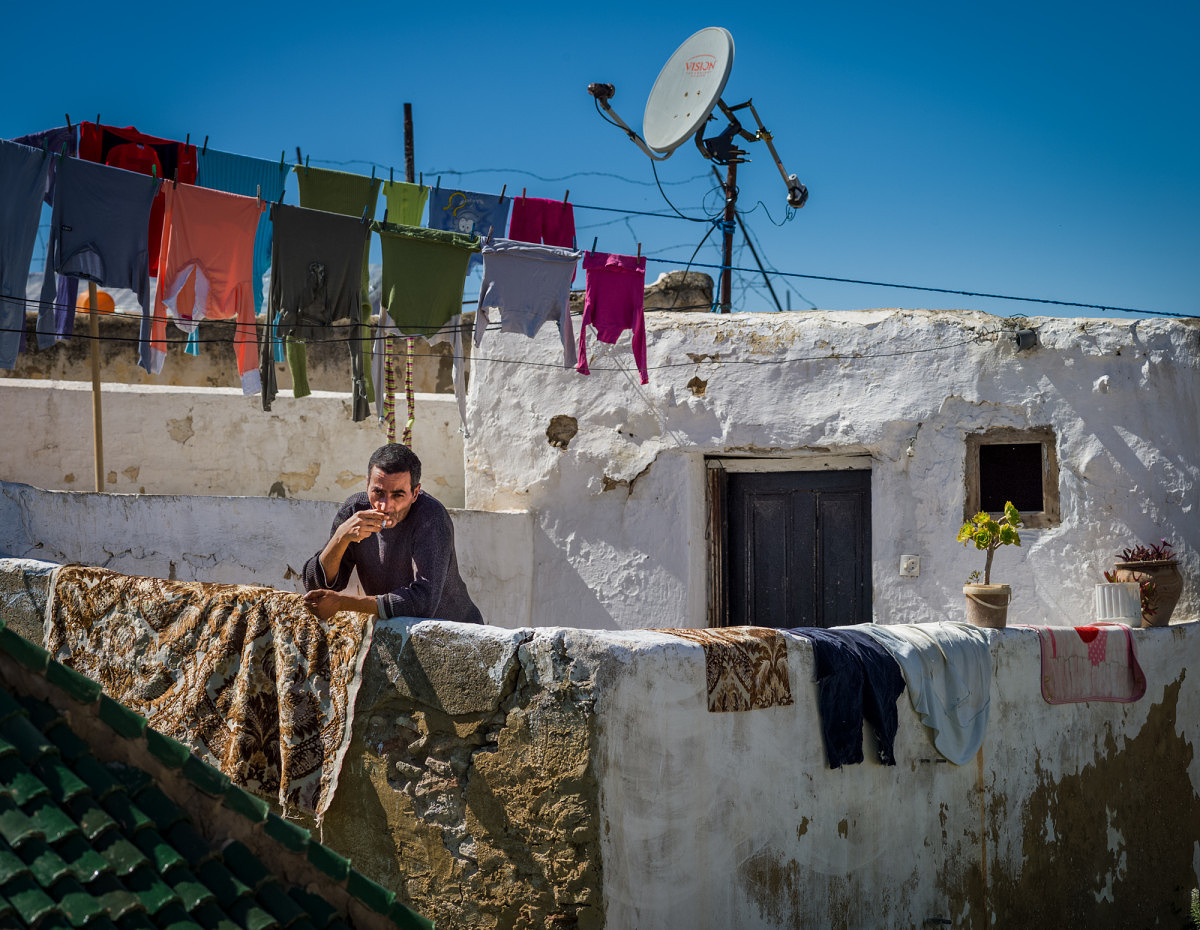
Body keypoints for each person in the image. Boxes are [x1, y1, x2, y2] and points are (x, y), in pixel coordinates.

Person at [302, 443, 484, 624]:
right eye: (378, 492)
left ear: (415, 493)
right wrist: (340, 537)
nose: (385, 506)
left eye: (398, 495)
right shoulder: (354, 510)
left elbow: (423, 601)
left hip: (455, 635)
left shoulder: (431, 518)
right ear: (367, 484)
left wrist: (344, 603)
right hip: (396, 633)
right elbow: (317, 586)